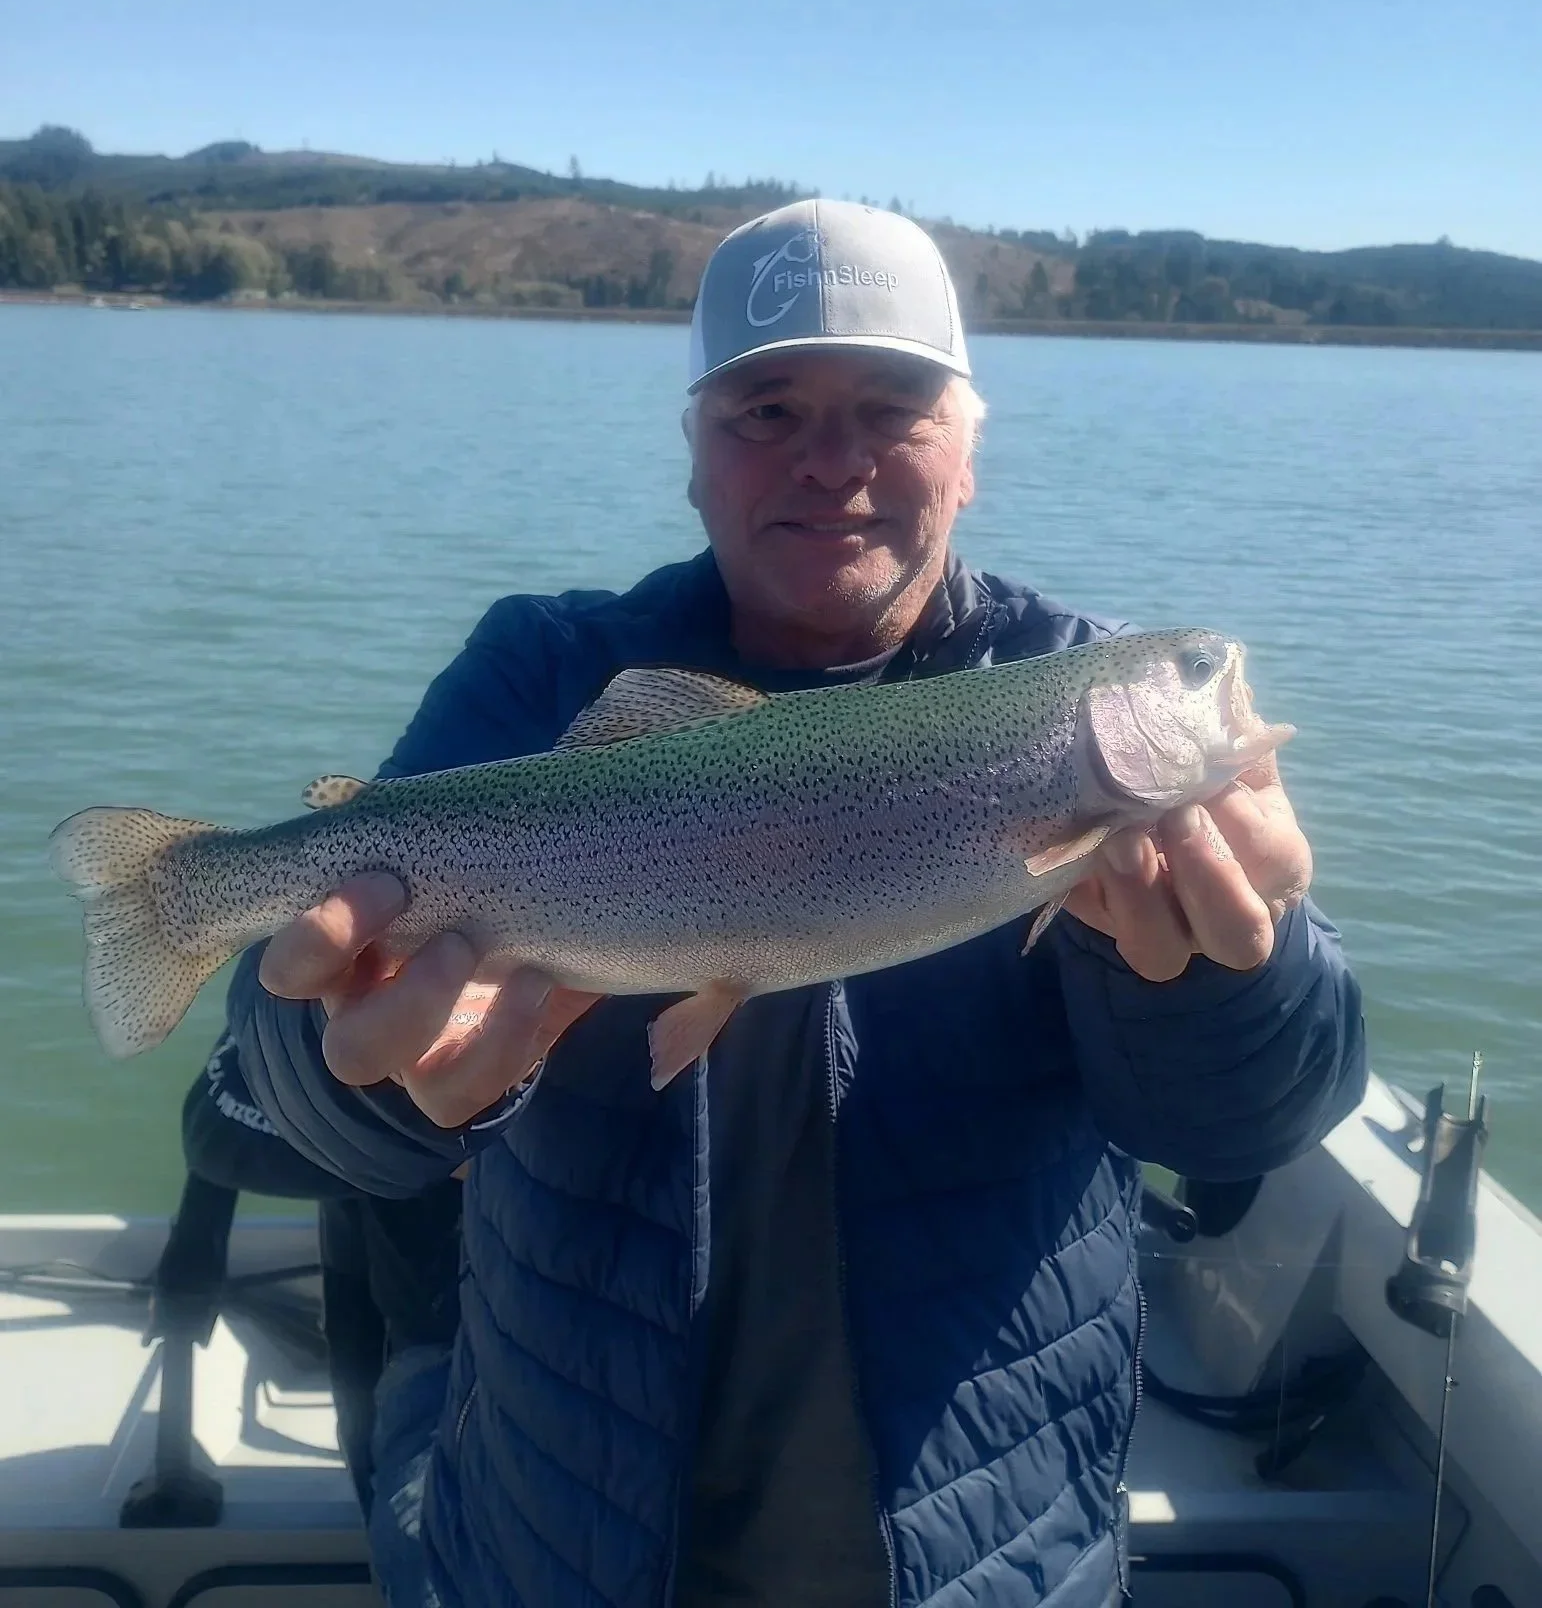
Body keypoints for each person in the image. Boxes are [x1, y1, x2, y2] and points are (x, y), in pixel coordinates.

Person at [229, 199, 1367, 1608]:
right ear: (694, 452)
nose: (832, 464)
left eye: (891, 409)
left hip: (987, 1554)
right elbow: (293, 1056)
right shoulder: (541, 672)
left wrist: (1217, 983)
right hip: (560, 1532)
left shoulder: (1065, 685)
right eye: (766, 409)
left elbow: (1253, 1118)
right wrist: (364, 1074)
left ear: (968, 450)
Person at [179, 1026, 463, 1516]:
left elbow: (215, 1130)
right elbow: (217, 1127)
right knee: (378, 1425)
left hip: (444, 1304)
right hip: (410, 1295)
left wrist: (197, 1236)